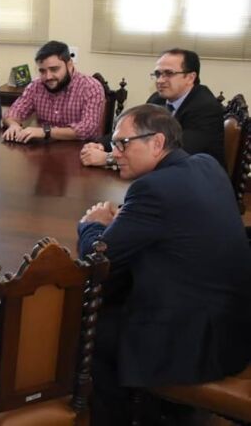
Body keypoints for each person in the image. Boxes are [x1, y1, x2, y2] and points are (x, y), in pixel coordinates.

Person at [77, 104, 251, 424]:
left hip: (192, 345)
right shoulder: (207, 165)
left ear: (157, 143)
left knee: (85, 329)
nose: (115, 152)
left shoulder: (151, 189)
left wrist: (93, 225)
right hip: (232, 331)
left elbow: (97, 261)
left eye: (122, 143)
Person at [80, 48, 225, 168]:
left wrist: (109, 158)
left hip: (194, 183)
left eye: (169, 73)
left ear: (190, 77)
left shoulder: (206, 108)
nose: (160, 80)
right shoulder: (157, 99)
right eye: (157, 74)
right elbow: (131, 131)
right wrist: (99, 145)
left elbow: (174, 154)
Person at [3, 40, 104, 143]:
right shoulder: (36, 86)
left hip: (80, 150)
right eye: (42, 71)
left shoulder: (91, 87)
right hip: (43, 151)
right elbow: (11, 113)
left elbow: (88, 129)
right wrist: (13, 125)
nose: (48, 77)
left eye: (54, 69)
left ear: (69, 65)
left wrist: (46, 132)